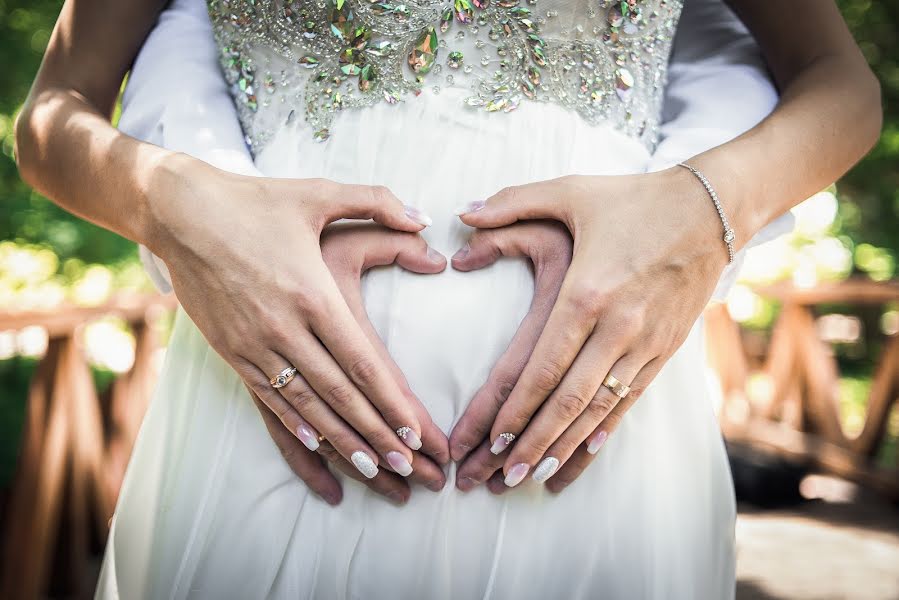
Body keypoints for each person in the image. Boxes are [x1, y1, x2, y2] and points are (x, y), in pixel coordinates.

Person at [13, 0, 880, 598]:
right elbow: (54, 115)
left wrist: (702, 210)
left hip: (601, 397)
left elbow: (839, 86)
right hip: (273, 393)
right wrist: (175, 207)